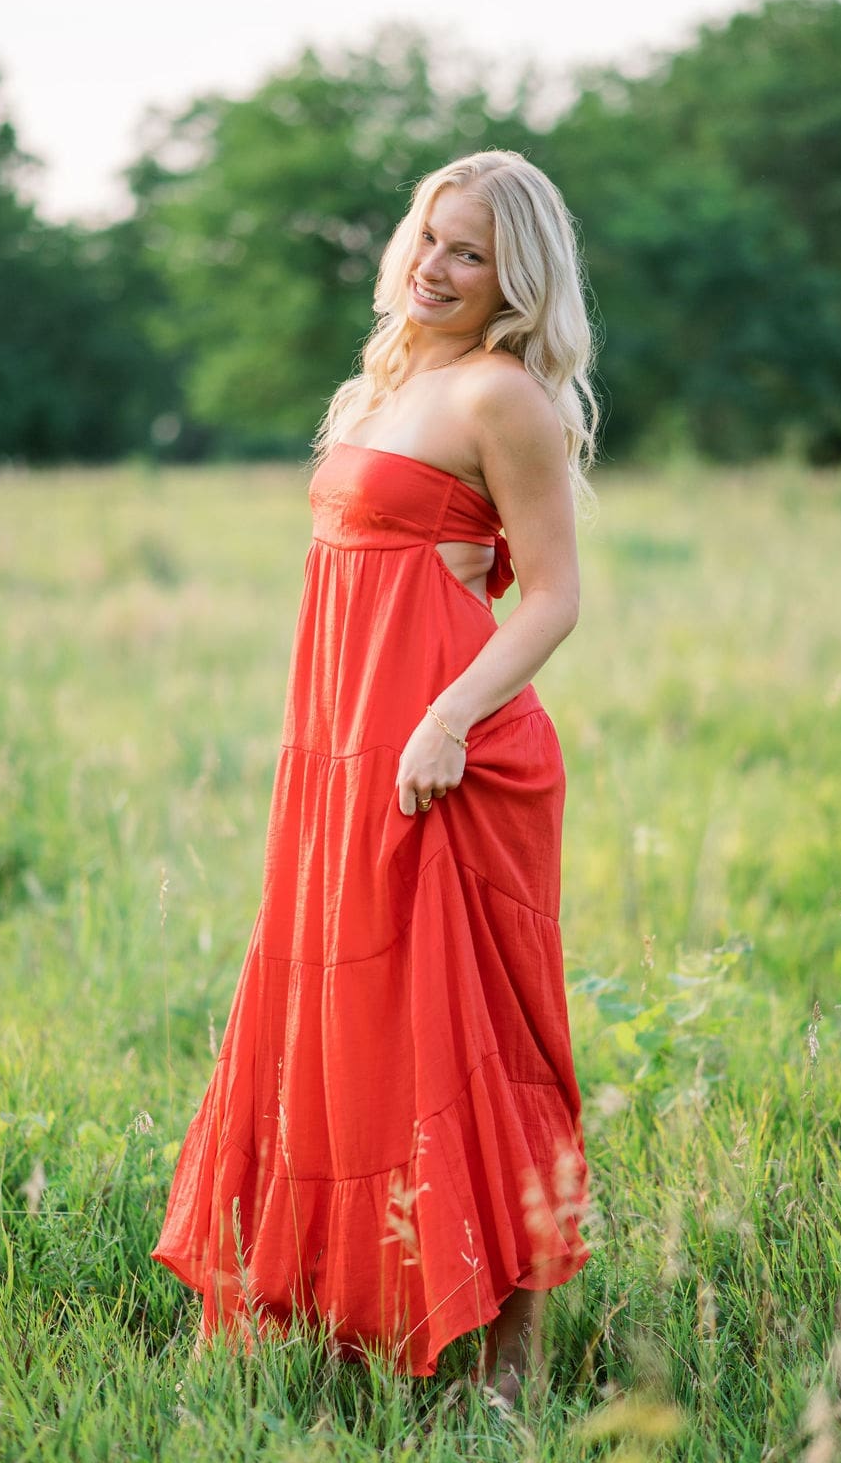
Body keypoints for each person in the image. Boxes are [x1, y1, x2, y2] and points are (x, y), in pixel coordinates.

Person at [151, 148, 599, 1410]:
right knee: (337, 1018)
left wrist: (445, 718)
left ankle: (503, 1366)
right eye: (427, 238)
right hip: (343, 747)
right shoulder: (380, 389)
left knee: (465, 1031)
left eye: (471, 252)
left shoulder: (503, 397)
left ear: (515, 277)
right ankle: (334, 1311)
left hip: (445, 750)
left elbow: (553, 596)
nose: (438, 267)